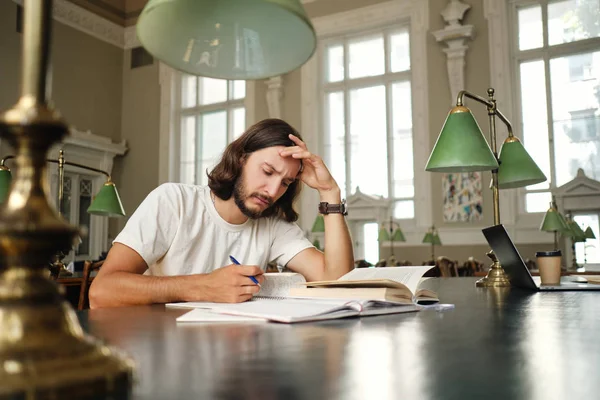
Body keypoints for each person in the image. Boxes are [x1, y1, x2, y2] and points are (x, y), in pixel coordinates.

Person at [89, 118, 354, 308]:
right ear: (241, 158)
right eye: (268, 172)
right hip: (162, 350)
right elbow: (102, 291)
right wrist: (202, 286)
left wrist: (329, 192)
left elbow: (337, 281)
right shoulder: (173, 201)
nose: (273, 191)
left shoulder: (272, 225)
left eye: (285, 182)